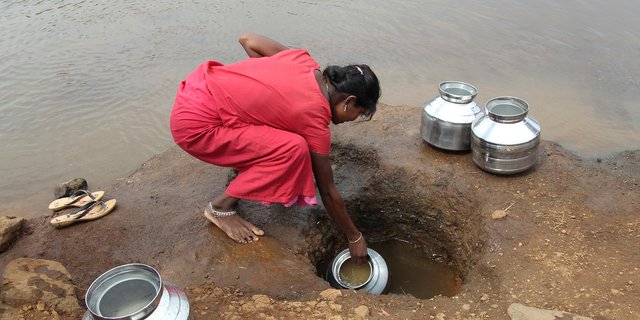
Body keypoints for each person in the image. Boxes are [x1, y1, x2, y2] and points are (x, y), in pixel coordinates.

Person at [170, 32, 381, 264]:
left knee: (283, 132)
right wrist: (354, 236)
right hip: (195, 126)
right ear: (349, 101)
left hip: (195, 89)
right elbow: (328, 190)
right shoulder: (314, 118)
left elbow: (248, 40)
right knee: (293, 148)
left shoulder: (302, 60)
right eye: (358, 113)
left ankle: (249, 164)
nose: (353, 119)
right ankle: (220, 208)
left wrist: (265, 85)